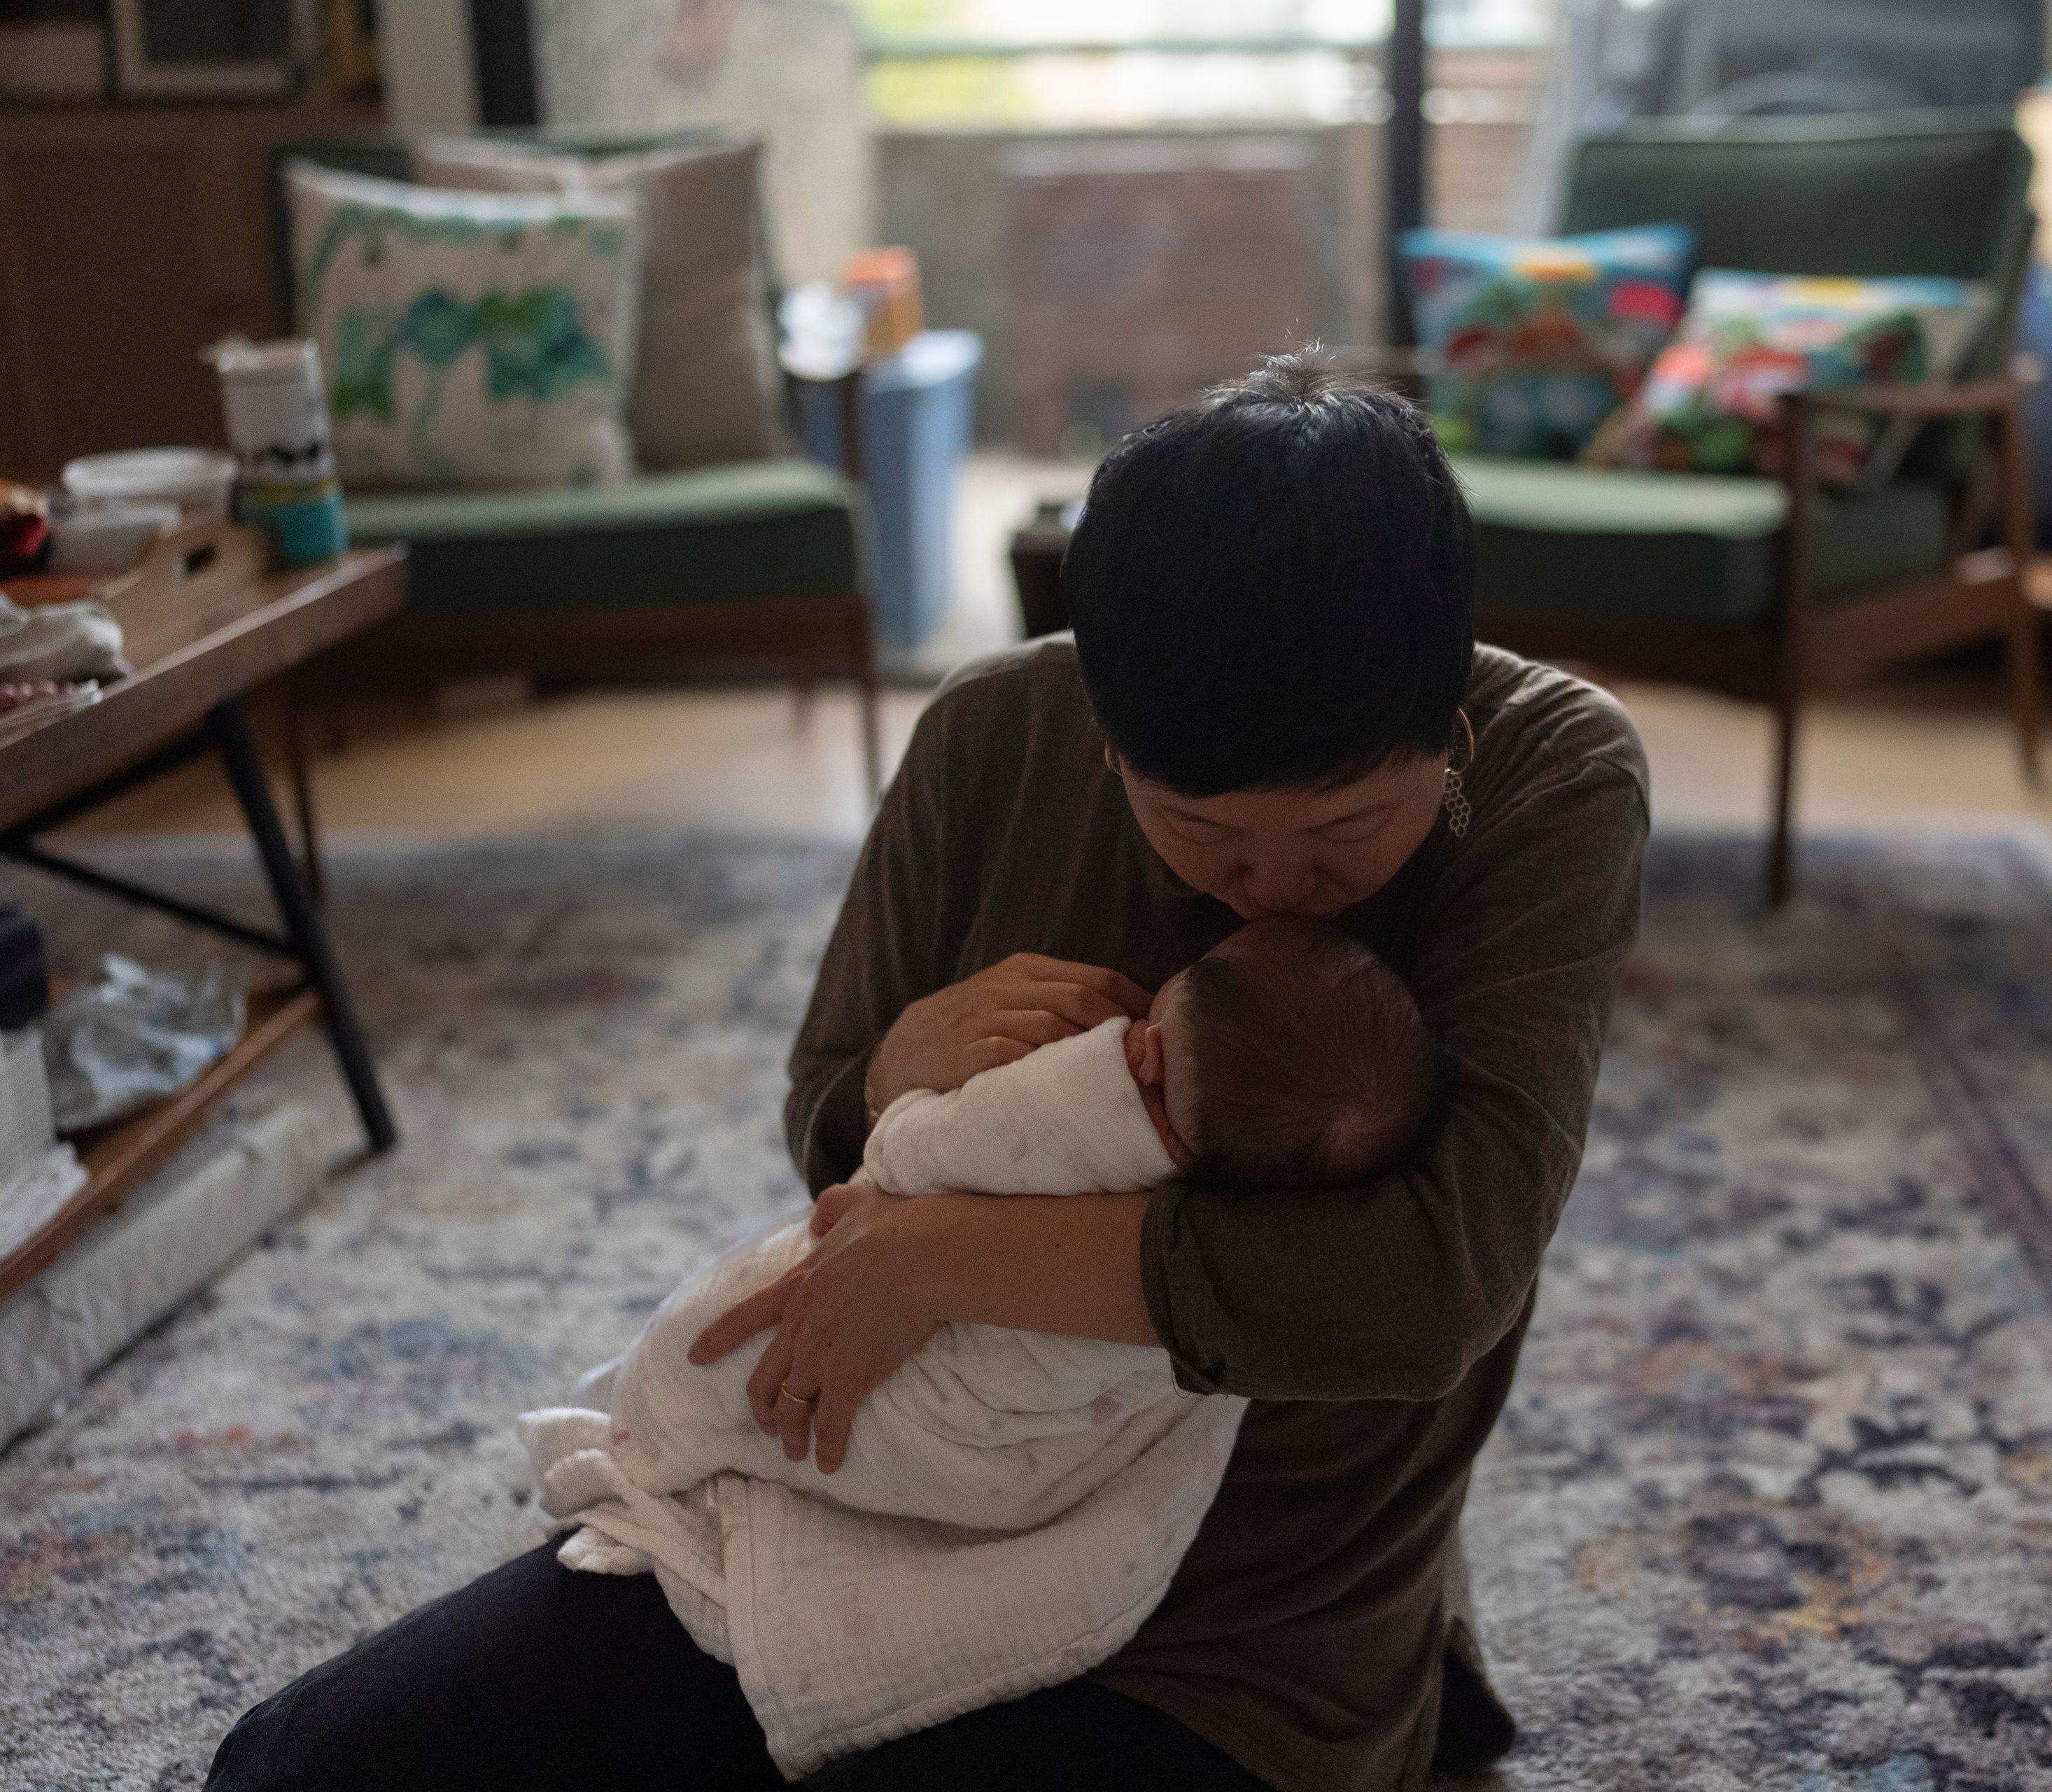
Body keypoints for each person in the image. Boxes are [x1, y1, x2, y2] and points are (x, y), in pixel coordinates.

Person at [207, 358, 1650, 1792]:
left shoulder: (1548, 777)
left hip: (1247, 1618)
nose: (1272, 889)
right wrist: (897, 1068)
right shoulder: (991, 734)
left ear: (1446, 717)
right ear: (1107, 726)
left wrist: (959, 1255)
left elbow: (1430, 1286)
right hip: (864, 1519)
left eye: (1341, 840)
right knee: (296, 1770)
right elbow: (827, 1114)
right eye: (1197, 829)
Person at [514, 920, 1441, 1776]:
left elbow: (909, 1158)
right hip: (1025, 1477)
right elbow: (825, 1092)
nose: (1273, 874)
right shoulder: (1242, 1210)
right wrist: (888, 1063)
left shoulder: (1087, 1091)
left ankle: (648, 1450)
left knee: (725, 1334)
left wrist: (913, 1115)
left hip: (953, 1418)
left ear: (1154, 1040)